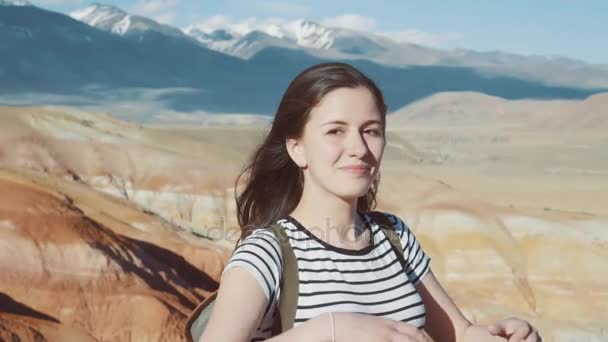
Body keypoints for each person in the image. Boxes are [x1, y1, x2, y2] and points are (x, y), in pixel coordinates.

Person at [199, 63, 541, 342]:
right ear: (296, 148)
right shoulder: (268, 253)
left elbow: (458, 334)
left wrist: (498, 335)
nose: (359, 148)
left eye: (371, 130)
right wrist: (328, 331)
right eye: (335, 131)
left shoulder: (394, 236)